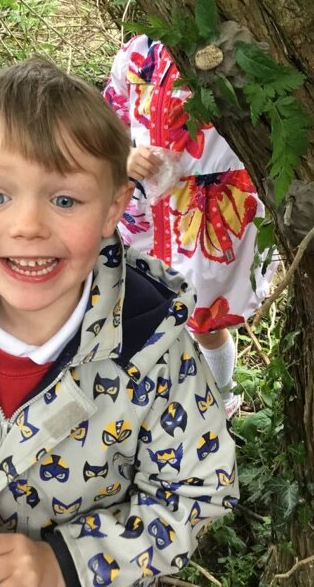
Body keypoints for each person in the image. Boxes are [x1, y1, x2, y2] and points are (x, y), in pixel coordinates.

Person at [0, 57, 238, 587]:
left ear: (113, 208)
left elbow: (196, 493)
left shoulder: (151, 345)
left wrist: (62, 563)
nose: (28, 226)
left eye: (65, 199)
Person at [104, 35, 276, 418]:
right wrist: (124, 155)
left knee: (203, 318)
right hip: (146, 209)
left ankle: (220, 400)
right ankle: (157, 400)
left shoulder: (232, 44)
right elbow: (110, 120)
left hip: (208, 208)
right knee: (145, 305)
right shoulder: (138, 54)